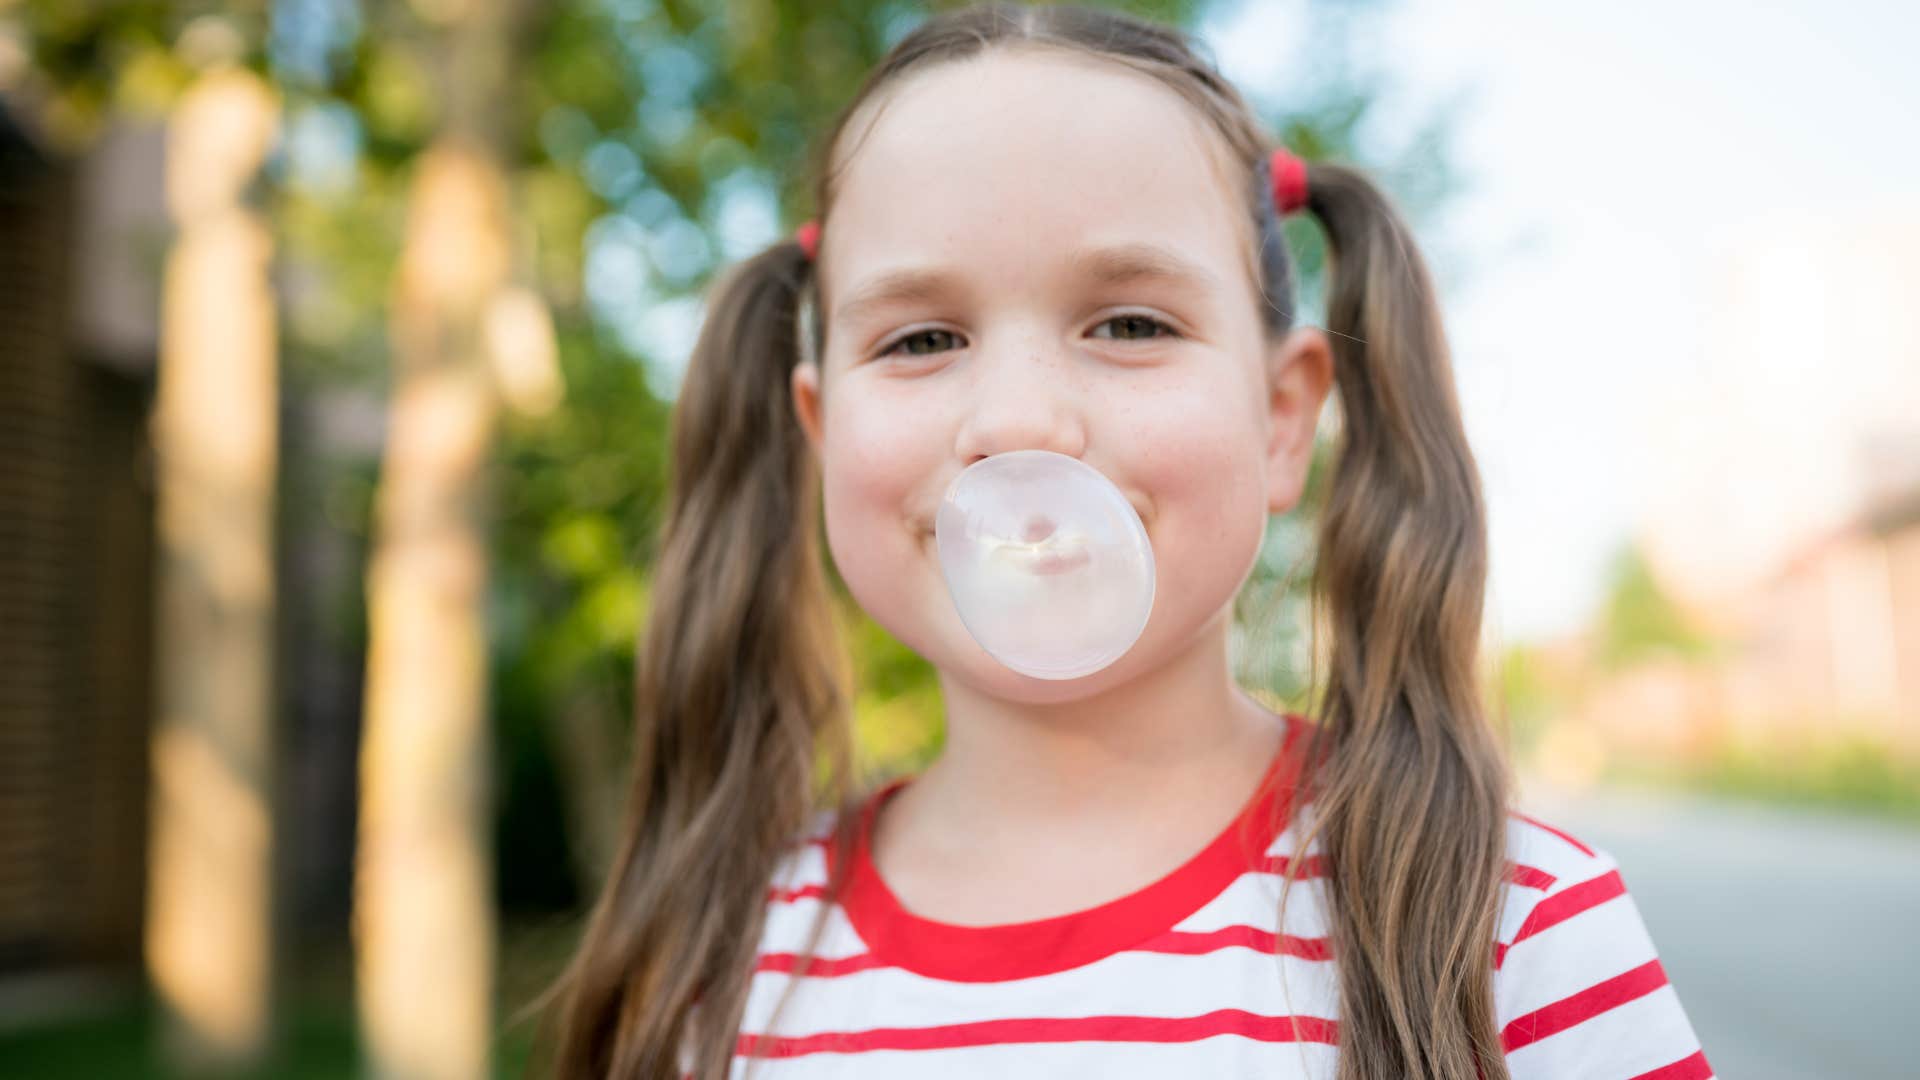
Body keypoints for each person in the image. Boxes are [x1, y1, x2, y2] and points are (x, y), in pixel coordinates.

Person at [541, 4, 1712, 1078]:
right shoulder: (718, 972)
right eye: (920, 340)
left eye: (1131, 322)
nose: (1017, 420)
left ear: (1280, 417)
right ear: (820, 429)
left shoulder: (1512, 932)